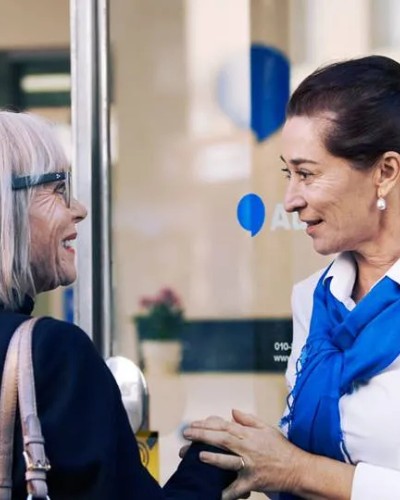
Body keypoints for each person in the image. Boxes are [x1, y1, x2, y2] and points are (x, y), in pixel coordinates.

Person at [182, 55, 400, 500]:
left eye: (306, 174)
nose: (290, 200)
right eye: (289, 174)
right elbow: (311, 447)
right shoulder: (314, 299)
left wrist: (296, 470)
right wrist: (251, 453)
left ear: (385, 173)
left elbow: (303, 468)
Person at [0, 110, 235, 499]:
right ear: (10, 207)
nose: (79, 208)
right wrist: (210, 462)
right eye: (58, 188)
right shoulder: (51, 353)